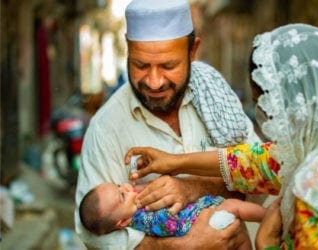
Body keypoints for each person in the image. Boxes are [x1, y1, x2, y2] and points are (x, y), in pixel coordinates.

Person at [125, 23, 318, 249]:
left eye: (269, 108)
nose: (268, 121)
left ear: (299, 104)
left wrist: (266, 243)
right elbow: (249, 162)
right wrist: (174, 162)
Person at [74, 0, 261, 249]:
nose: (153, 82)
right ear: (128, 53)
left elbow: (263, 174)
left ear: (193, 51)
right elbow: (92, 234)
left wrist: (192, 187)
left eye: (168, 66)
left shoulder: (218, 99)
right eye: (141, 65)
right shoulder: (106, 127)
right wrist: (173, 246)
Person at [79, 181, 270, 250]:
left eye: (119, 185)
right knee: (233, 207)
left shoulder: (135, 214)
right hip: (198, 226)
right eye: (122, 195)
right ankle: (270, 217)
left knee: (238, 235)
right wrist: (174, 205)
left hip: (197, 223)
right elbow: (169, 223)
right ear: (123, 222)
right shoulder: (142, 219)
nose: (126, 188)